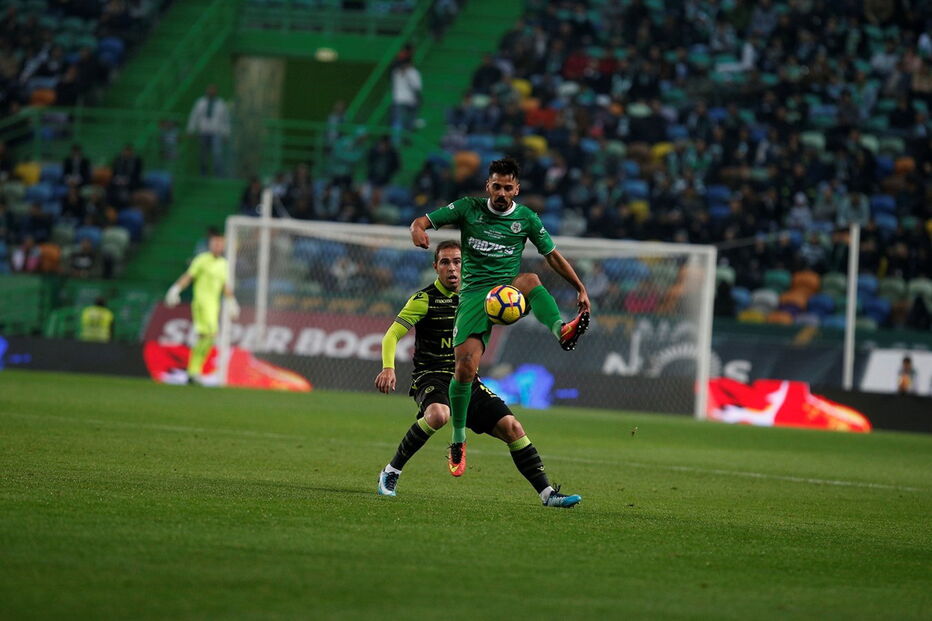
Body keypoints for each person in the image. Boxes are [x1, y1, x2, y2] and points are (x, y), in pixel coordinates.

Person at [409, 158, 590, 475]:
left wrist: (579, 287)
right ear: (488, 186)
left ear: (517, 189)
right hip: (475, 298)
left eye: (508, 187)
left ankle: (561, 329)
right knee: (465, 369)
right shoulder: (468, 209)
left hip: (506, 292)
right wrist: (417, 230)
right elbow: (423, 220)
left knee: (531, 280)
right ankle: (458, 439)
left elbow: (553, 256)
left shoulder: (526, 219)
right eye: (497, 186)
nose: (502, 192)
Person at [374, 240, 581, 508]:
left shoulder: (481, 298)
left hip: (468, 380)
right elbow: (392, 334)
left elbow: (514, 306)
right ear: (435, 266)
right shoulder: (424, 300)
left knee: (513, 428)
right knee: (438, 414)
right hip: (433, 375)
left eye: (458, 262)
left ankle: (548, 494)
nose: (452, 268)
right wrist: (388, 367)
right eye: (445, 262)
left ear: (466, 265)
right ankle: (390, 473)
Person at [163, 231, 239, 384]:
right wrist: (175, 289)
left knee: (207, 338)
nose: (218, 245)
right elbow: (189, 276)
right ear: (210, 244)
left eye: (220, 243)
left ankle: (193, 372)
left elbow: (225, 285)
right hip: (201, 304)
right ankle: (193, 371)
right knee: (210, 336)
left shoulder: (224, 264)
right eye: (215, 243)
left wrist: (232, 302)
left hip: (214, 306)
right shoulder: (202, 260)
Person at [186, 84, 231, 177]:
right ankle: (203, 174)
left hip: (216, 132)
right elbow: (194, 116)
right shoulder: (200, 102)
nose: (211, 92)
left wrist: (226, 133)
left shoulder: (221, 104)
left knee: (217, 154)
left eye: (213, 90)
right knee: (203, 155)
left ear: (216, 92)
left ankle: (218, 175)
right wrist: (191, 129)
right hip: (203, 131)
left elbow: (226, 119)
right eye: (209, 90)